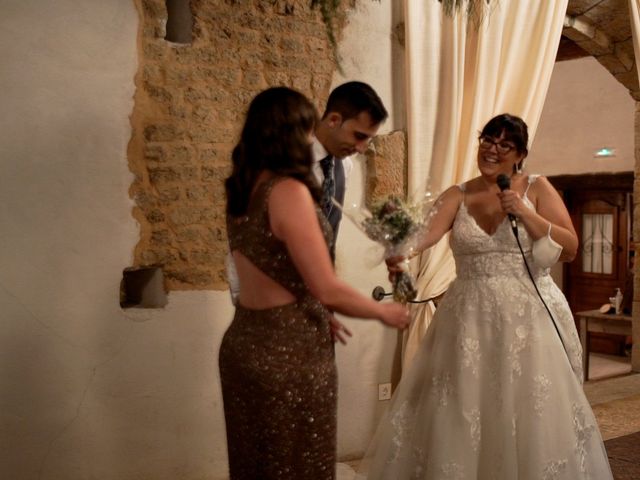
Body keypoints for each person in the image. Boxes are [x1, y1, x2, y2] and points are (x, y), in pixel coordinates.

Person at [359, 114, 613, 479]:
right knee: (462, 406)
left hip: (529, 319)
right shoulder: (457, 194)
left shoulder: (537, 189)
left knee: (528, 412)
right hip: (468, 319)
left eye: (503, 144)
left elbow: (570, 247)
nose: (491, 150)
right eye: (487, 140)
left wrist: (524, 211)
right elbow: (423, 235)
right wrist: (399, 249)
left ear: (520, 154)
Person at [219, 86, 410, 480]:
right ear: (291, 134)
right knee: (298, 463)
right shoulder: (287, 191)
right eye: (308, 129)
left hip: (244, 341)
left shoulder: (243, 188)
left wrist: (316, 309)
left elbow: (271, 266)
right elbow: (325, 285)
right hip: (288, 350)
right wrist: (383, 310)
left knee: (256, 465)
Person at [312, 81, 388, 257]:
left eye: (367, 140)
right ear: (333, 120)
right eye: (359, 136)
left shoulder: (345, 166)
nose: (361, 149)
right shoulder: (290, 160)